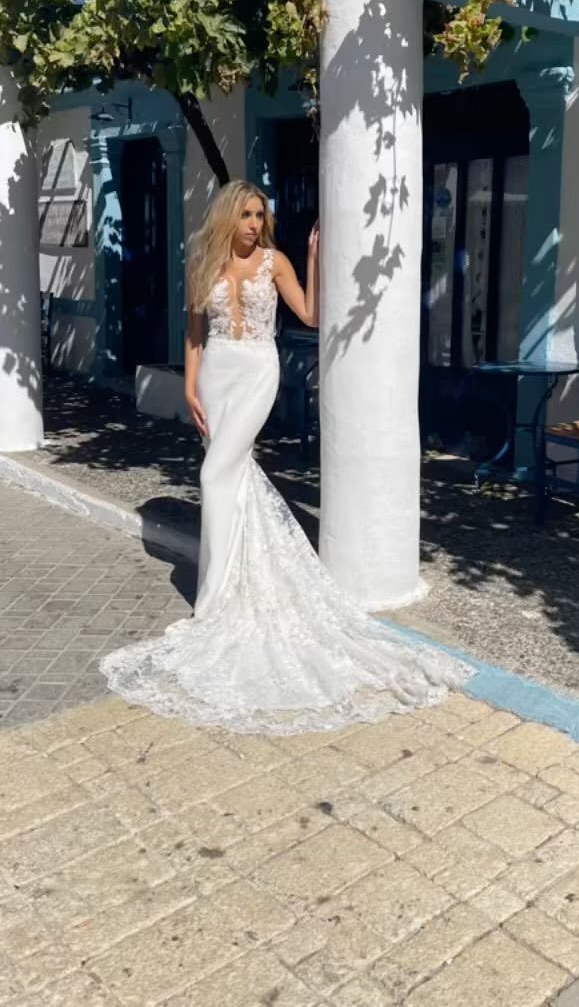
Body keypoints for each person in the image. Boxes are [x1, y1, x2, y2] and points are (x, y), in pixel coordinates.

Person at [100, 181, 471, 735]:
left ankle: (214, 600)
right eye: (247, 215)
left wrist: (315, 259)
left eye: (260, 215)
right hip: (217, 376)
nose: (255, 224)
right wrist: (190, 388)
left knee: (215, 473)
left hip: (256, 371)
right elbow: (196, 333)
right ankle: (233, 584)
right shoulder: (203, 264)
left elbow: (312, 314)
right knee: (231, 480)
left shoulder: (275, 262)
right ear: (229, 217)